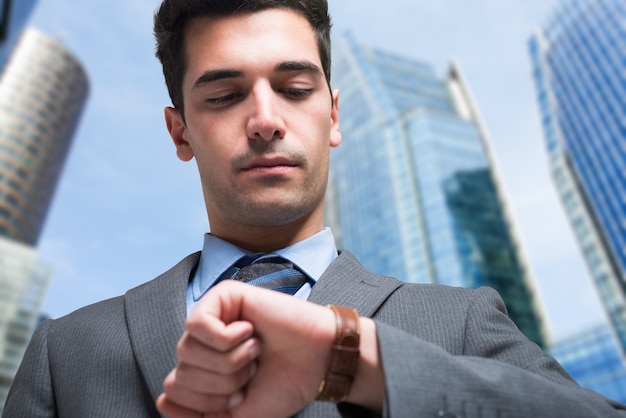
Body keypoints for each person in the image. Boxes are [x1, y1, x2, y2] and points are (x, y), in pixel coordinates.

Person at [3, 0, 626, 417]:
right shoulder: (66, 351)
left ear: (333, 115)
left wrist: (351, 360)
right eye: (224, 96)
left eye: (295, 90)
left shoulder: (459, 321)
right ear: (180, 133)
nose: (267, 121)